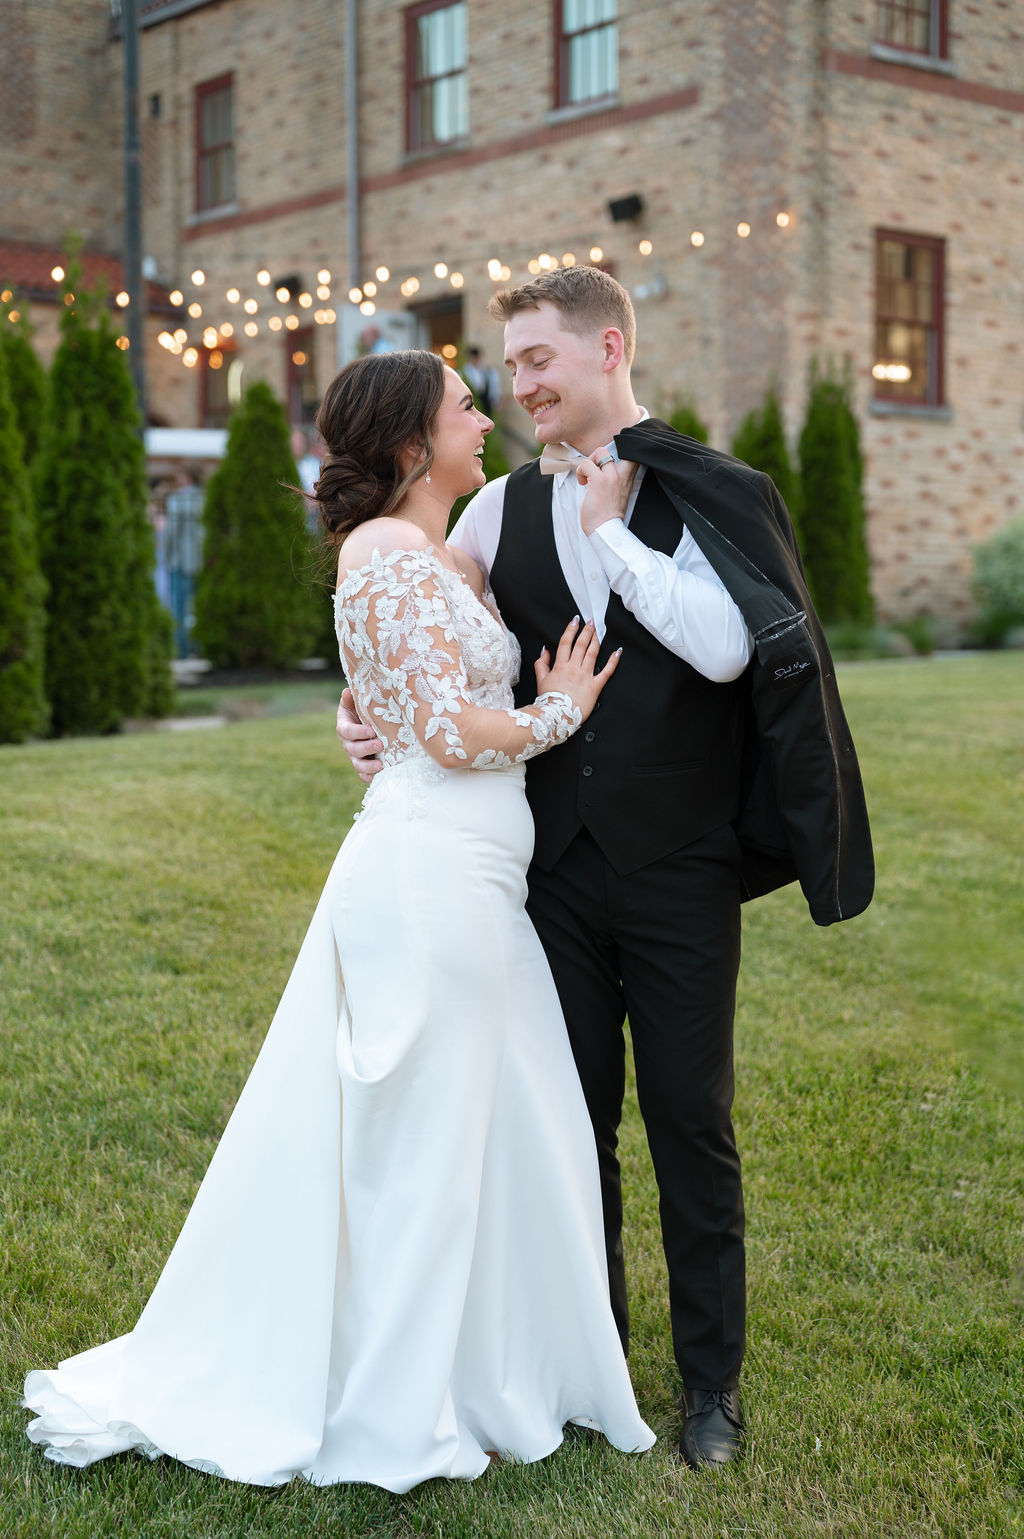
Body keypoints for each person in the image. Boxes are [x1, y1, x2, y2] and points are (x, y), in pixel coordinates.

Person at [23, 349, 655, 1493]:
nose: (483, 419)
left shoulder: (427, 553)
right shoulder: (385, 556)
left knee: (492, 1124)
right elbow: (449, 734)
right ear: (415, 444)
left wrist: (380, 708)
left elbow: (397, 700)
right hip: (429, 886)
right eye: (465, 407)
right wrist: (554, 710)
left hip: (472, 881)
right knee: (425, 1141)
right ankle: (395, 1395)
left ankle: (488, 1368)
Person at [338, 267, 874, 1469]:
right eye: (509, 367)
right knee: (570, 1125)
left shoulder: (709, 489)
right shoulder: (488, 514)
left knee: (692, 1122)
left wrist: (612, 535)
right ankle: (591, 1366)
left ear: (606, 349)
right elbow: (425, 629)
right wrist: (357, 708)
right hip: (552, 880)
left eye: (537, 361)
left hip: (681, 868)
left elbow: (734, 650)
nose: (517, 385)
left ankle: (709, 1391)